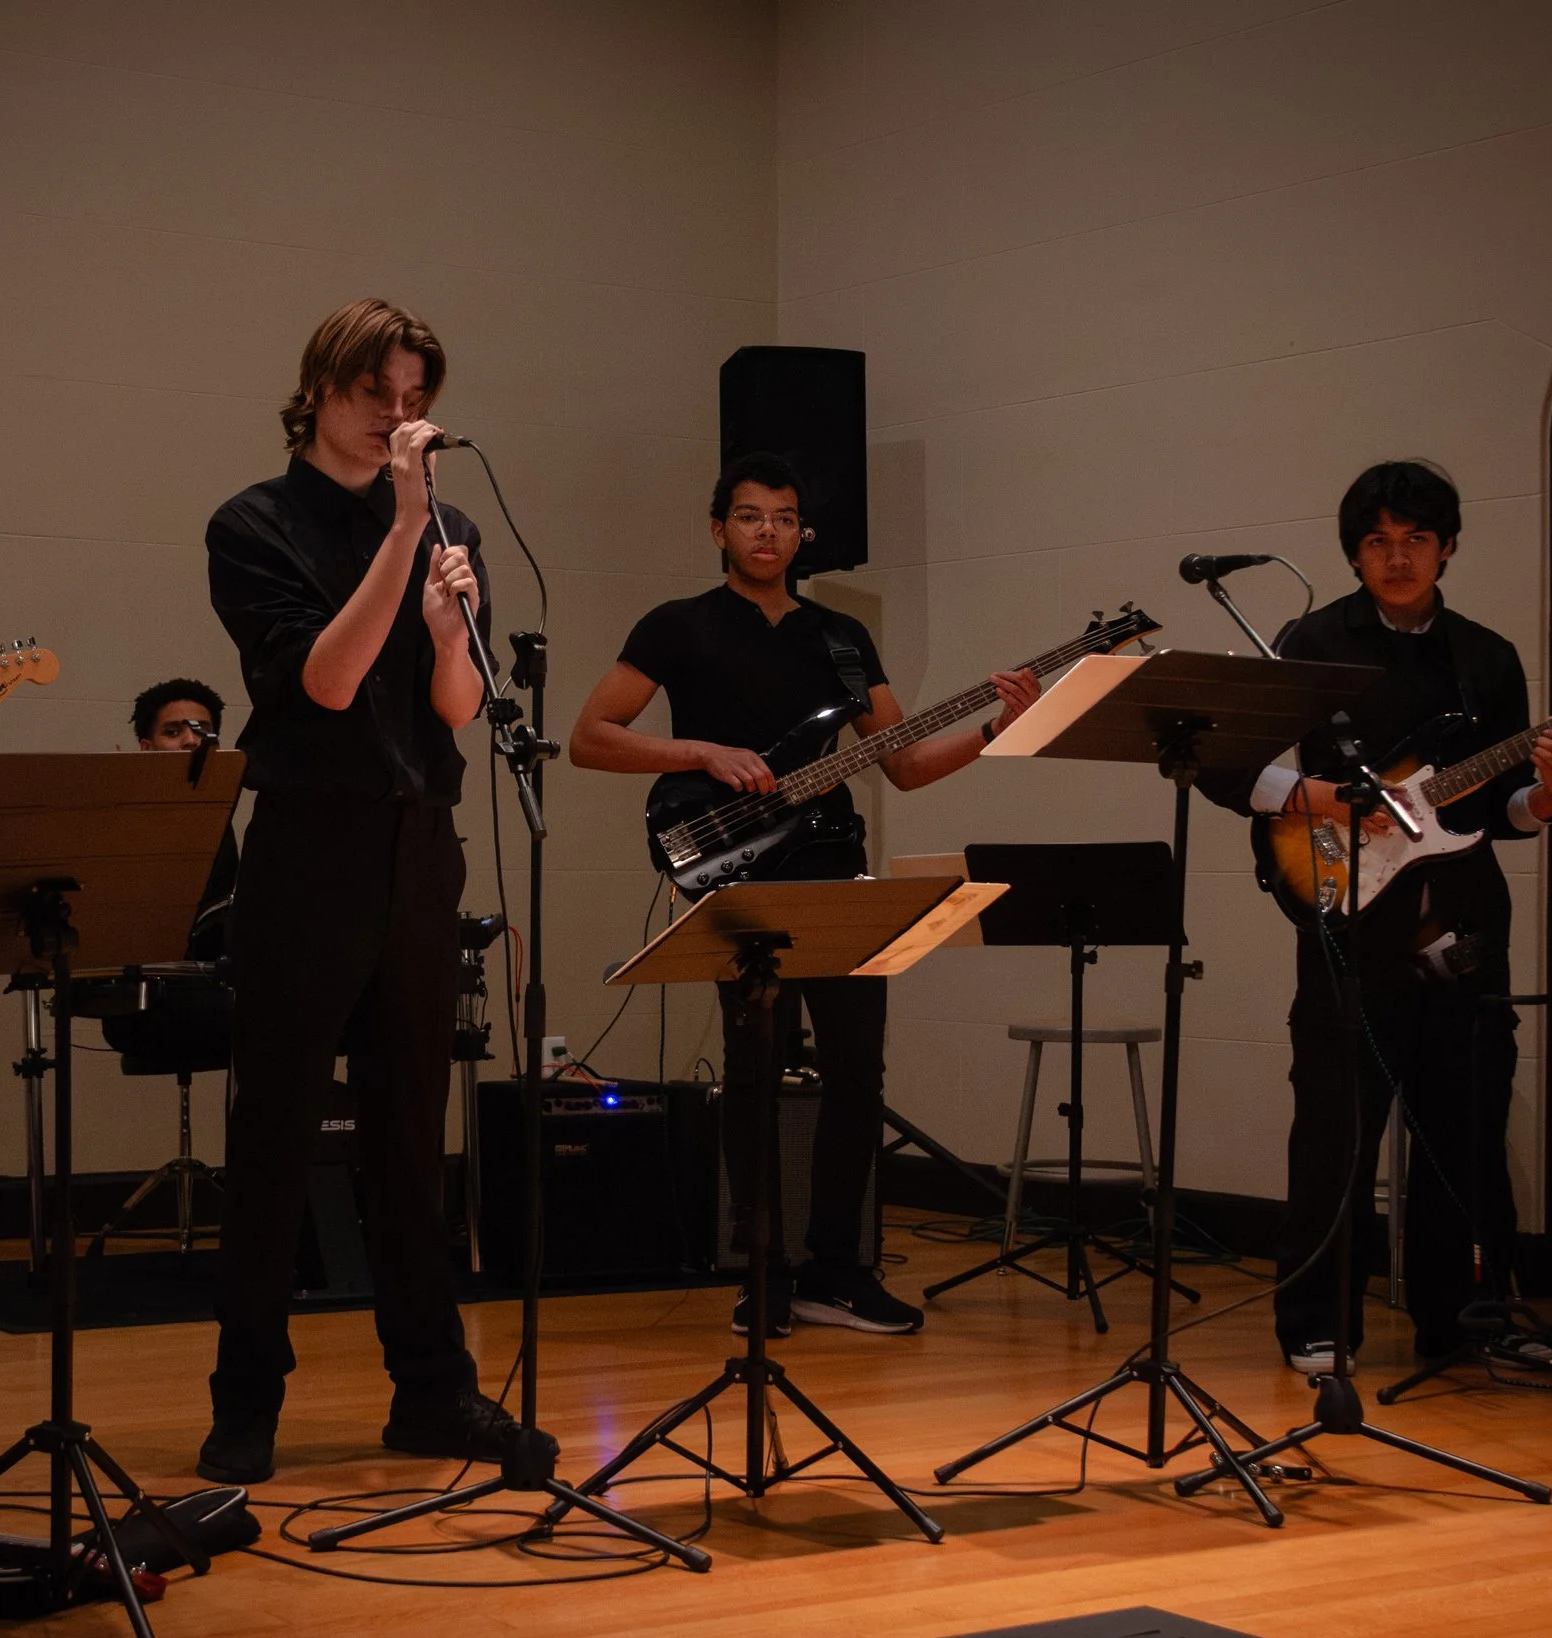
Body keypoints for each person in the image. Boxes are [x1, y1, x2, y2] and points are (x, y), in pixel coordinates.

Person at [569, 452, 1038, 1338]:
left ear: (800, 534)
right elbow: (591, 737)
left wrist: (993, 729)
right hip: (741, 870)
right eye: (750, 517)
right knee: (754, 1067)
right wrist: (702, 752)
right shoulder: (677, 625)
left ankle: (838, 1270)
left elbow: (901, 763)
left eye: (784, 519)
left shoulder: (842, 637)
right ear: (719, 529)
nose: (768, 533)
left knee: (858, 1068)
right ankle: (763, 1272)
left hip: (834, 866)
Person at [198, 298, 540, 1484]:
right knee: (278, 1132)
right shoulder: (255, 523)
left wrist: (454, 627)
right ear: (321, 389)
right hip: (306, 839)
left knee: (408, 1130)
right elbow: (329, 685)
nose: (399, 418)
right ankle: (245, 1398)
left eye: (413, 397)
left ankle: (433, 1390)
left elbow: (452, 708)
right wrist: (402, 538)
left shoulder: (448, 527)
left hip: (416, 837)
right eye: (375, 394)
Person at [1202, 460, 1552, 1374]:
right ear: (1355, 552)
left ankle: (1459, 1321)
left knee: (1464, 1127)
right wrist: (1322, 797)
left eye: (1416, 539)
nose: (1398, 556)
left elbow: (1498, 814)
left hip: (1462, 918)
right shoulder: (1309, 638)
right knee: (1336, 1129)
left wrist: (1549, 800)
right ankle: (1318, 1324)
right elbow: (1223, 768)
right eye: (1379, 540)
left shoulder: (1486, 656)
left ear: (1447, 547)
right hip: (1347, 916)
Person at [131, 676, 239, 954]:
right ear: (146, 748)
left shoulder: (219, 814)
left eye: (202, 730)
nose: (191, 741)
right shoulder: (123, 818)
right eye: (172, 732)